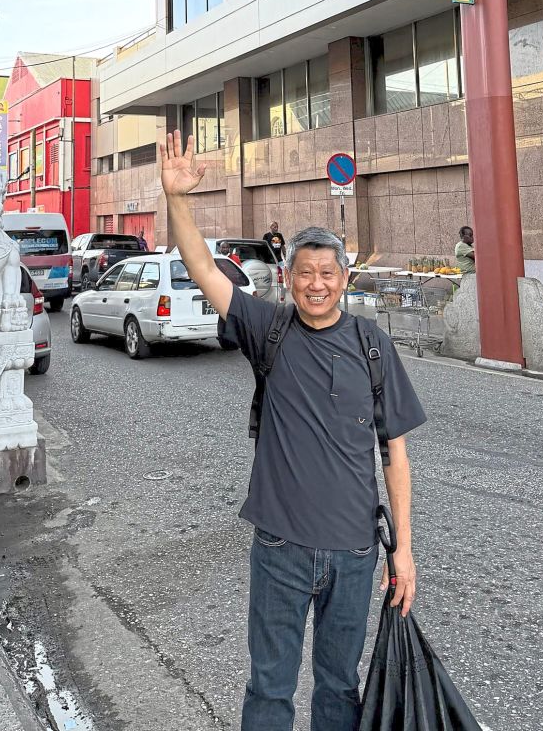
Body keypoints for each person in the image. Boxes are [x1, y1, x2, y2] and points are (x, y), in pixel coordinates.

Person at [160, 131, 426, 731]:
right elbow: (201, 266)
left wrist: (403, 551)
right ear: (288, 276)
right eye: (305, 273)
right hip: (280, 547)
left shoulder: (372, 346)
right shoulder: (267, 330)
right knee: (270, 689)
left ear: (344, 278)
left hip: (356, 552)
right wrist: (177, 199)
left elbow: (395, 455)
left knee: (339, 688)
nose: (316, 283)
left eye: (327, 273)